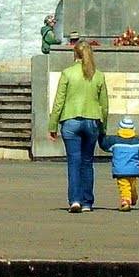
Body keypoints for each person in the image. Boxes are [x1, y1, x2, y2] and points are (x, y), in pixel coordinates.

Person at [48, 40, 109, 213]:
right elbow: (104, 105)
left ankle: (75, 200)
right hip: (92, 122)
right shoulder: (98, 75)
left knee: (74, 162)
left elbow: (59, 101)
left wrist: (52, 125)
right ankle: (87, 202)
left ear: (74, 54)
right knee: (87, 162)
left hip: (70, 121)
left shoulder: (67, 73)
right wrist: (103, 128)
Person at [98, 115, 139, 212]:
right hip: (134, 170)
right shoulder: (138, 142)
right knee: (132, 185)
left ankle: (126, 201)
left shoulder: (114, 141)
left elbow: (104, 145)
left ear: (120, 128)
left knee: (124, 186)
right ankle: (133, 197)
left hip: (120, 170)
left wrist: (101, 134)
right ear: (133, 129)